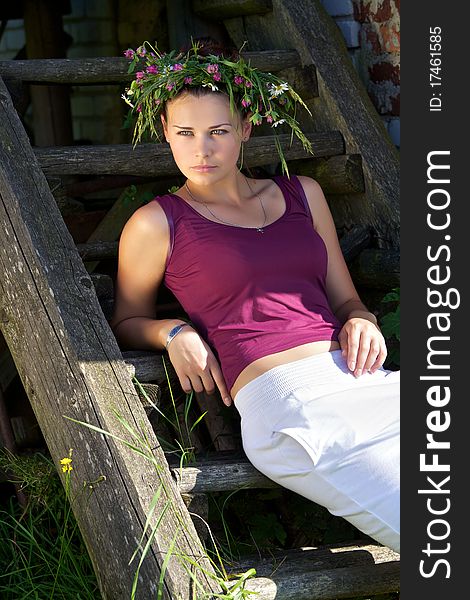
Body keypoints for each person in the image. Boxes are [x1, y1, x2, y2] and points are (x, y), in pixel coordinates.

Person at [111, 38, 400, 554]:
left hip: (366, 381)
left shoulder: (301, 194)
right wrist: (172, 331)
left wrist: (361, 319)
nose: (202, 149)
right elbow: (128, 318)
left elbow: (346, 300)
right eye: (186, 133)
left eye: (218, 132)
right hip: (290, 405)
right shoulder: (156, 223)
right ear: (166, 135)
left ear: (245, 130)